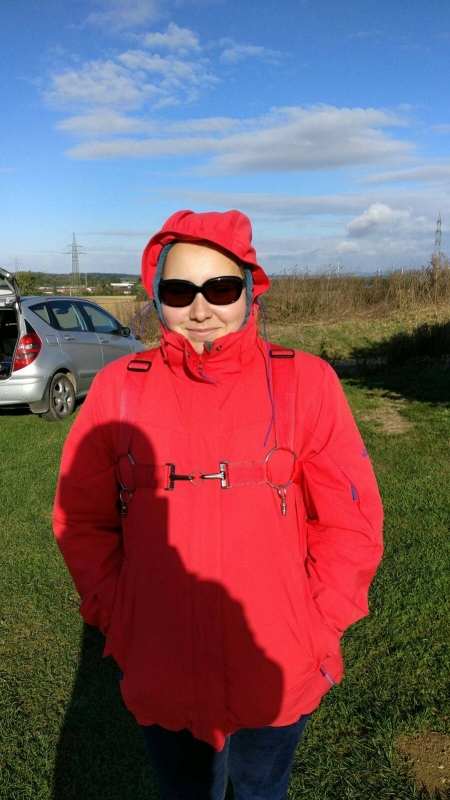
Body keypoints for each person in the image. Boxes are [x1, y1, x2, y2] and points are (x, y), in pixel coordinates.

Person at [53, 209, 383, 799]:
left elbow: (350, 522)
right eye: (180, 292)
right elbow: (81, 520)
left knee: (262, 789)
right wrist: (119, 615)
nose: (201, 309)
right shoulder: (118, 388)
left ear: (250, 292)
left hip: (277, 663)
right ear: (158, 297)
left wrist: (317, 624)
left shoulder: (306, 382)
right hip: (160, 665)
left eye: (221, 289)